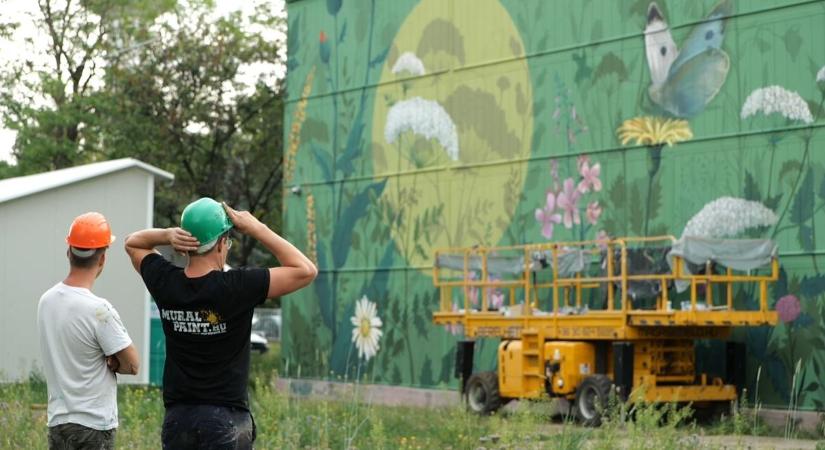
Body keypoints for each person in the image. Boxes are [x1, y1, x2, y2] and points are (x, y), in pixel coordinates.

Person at [124, 198, 317, 449]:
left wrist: (167, 235)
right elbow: (306, 270)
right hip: (226, 419)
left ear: (186, 242)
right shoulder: (238, 286)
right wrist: (257, 227)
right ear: (222, 243)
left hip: (178, 418)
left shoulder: (166, 282)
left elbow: (132, 243)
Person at [37, 212, 140, 450]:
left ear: (68, 252)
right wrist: (114, 362)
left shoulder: (46, 301)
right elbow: (133, 365)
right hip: (94, 425)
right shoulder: (99, 310)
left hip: (58, 422)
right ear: (102, 259)